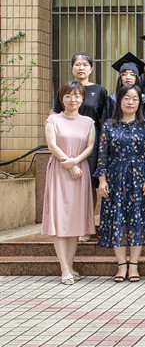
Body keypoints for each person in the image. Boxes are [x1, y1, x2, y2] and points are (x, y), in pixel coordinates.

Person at [95, 84, 145, 283]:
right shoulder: (109, 125)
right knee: (117, 219)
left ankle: (134, 265)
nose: (131, 102)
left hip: (139, 178)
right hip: (115, 177)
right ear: (119, 100)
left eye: (135, 99)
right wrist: (102, 180)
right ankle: (121, 265)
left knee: (138, 219)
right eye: (127, 98)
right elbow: (102, 155)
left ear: (140, 102)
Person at [43, 81, 96, 285]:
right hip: (60, 171)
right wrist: (69, 164)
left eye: (76, 96)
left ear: (82, 99)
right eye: (68, 95)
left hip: (80, 172)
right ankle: (64, 268)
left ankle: (71, 265)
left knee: (75, 220)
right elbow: (52, 145)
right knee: (60, 219)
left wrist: (76, 162)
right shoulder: (53, 120)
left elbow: (90, 147)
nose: (72, 99)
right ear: (62, 98)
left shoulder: (88, 122)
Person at [54, 53, 108, 191]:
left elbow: (104, 119)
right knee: (67, 183)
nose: (81, 68)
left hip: (90, 142)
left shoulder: (99, 91)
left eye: (85, 65)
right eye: (77, 64)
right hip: (67, 140)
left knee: (89, 184)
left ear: (91, 69)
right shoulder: (64, 89)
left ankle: (88, 207)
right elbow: (57, 116)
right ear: (71, 68)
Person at [102, 53, 145, 122]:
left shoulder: (144, 100)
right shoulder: (112, 99)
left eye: (132, 74)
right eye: (124, 74)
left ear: (137, 78)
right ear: (120, 78)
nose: (128, 77)